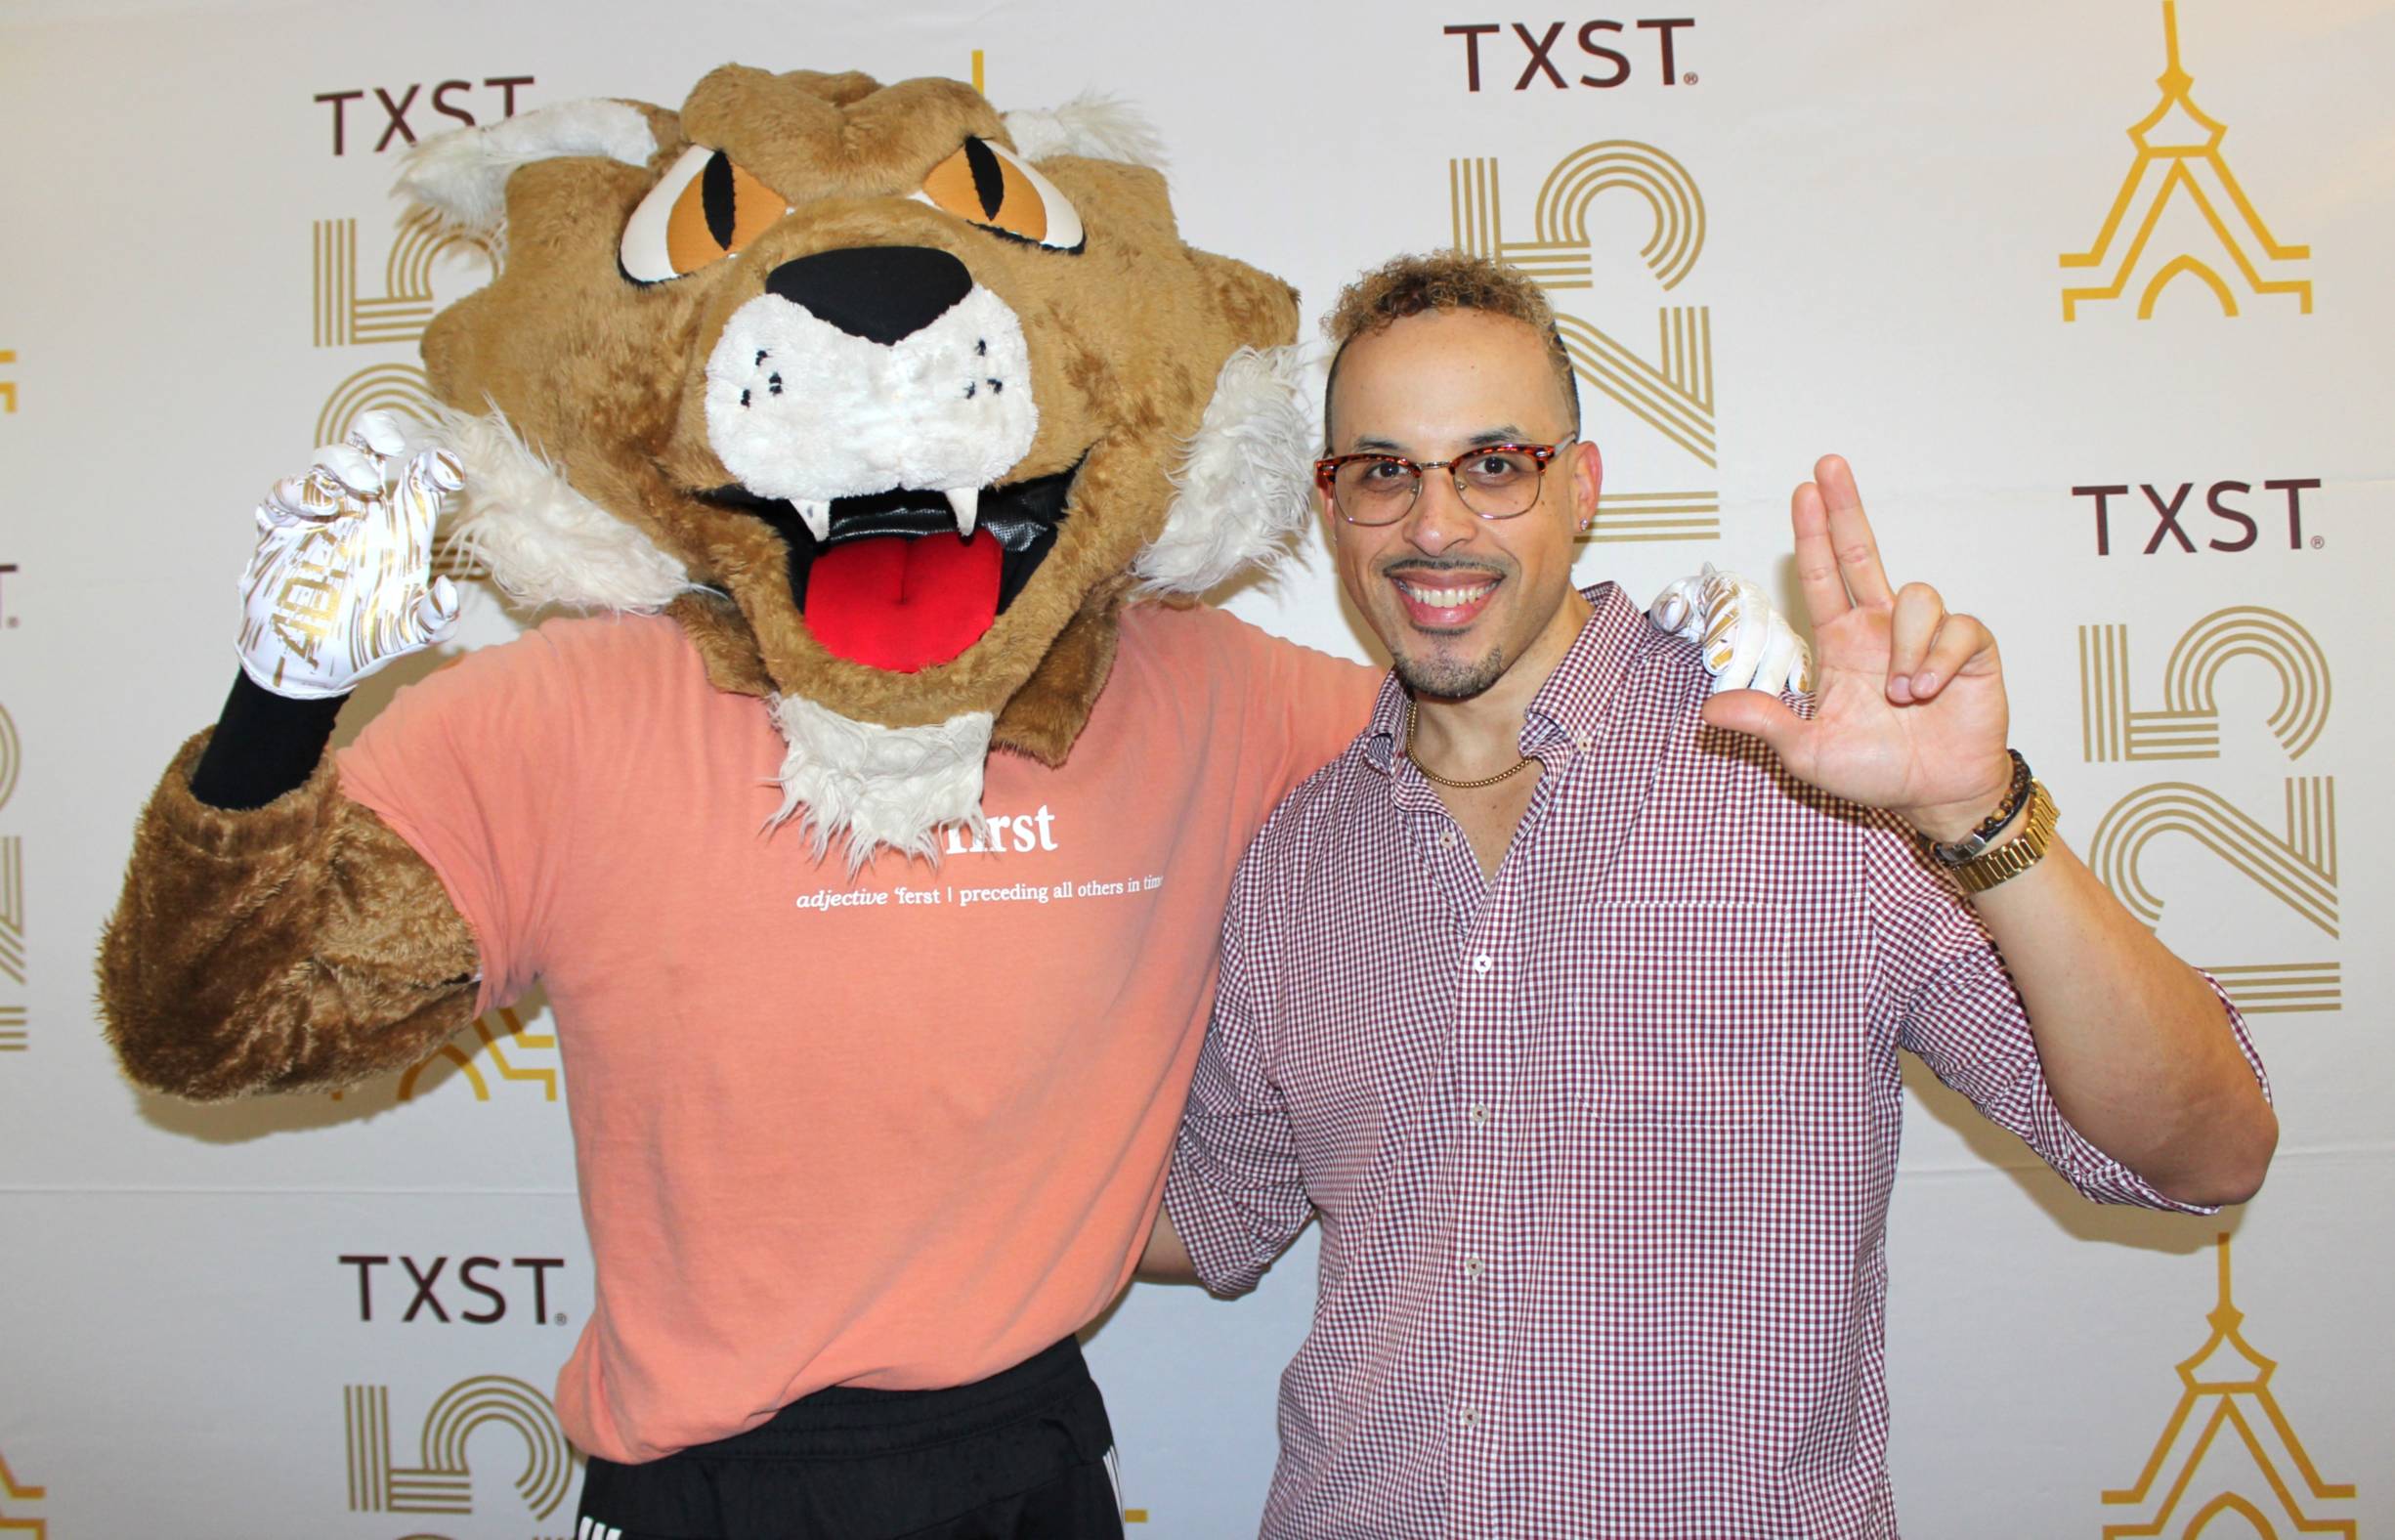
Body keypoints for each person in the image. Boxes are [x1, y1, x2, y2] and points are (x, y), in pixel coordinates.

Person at [1144, 251, 2278, 1538]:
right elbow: (1213, 1215)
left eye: (1494, 464)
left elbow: (2208, 1149)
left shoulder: (1810, 782)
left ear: (1580, 489)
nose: (1435, 524)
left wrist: (1977, 818)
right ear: (1333, 502)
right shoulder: (1300, 857)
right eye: (1384, 470)